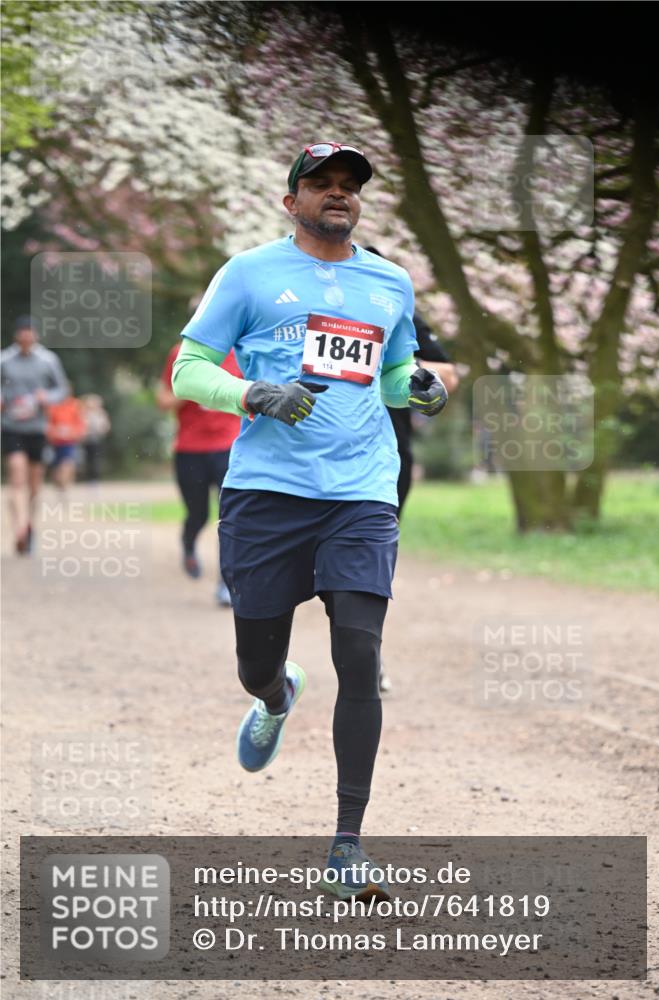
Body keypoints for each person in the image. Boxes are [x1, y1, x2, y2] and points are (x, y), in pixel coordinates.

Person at [172, 141, 448, 899]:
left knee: (359, 659)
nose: (337, 194)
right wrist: (251, 394)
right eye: (320, 184)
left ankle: (346, 846)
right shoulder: (249, 273)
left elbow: (389, 372)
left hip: (361, 492)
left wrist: (416, 385)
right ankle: (273, 696)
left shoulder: (388, 281)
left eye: (348, 186)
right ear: (289, 199)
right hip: (267, 495)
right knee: (255, 662)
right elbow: (189, 367)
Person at [366, 247, 460, 694]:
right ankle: (269, 673)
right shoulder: (287, 300)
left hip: (382, 462)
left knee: (365, 571)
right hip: (295, 461)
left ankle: (369, 658)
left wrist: (395, 368)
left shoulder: (393, 306)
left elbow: (449, 373)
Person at [158, 344, 242, 606]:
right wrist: (191, 387)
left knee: (230, 516)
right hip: (190, 448)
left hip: (229, 445)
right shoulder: (180, 352)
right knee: (198, 514)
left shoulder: (241, 351)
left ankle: (226, 584)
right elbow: (163, 401)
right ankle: (189, 541)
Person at [1, 316, 68, 553]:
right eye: (22, 332)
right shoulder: (4, 360)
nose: (26, 336)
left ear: (36, 335)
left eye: (30, 332)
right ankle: (19, 528)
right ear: (16, 335)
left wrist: (46, 398)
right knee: (16, 474)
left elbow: (63, 389)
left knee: (34, 485)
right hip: (11, 426)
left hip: (37, 428)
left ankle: (28, 525)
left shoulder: (48, 360)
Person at [46, 391, 86, 491]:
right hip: (54, 441)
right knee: (56, 465)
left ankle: (65, 484)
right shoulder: (52, 405)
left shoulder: (75, 405)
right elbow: (48, 421)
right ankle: (60, 484)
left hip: (69, 440)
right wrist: (53, 432)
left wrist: (76, 433)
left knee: (68, 462)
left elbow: (80, 421)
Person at [80, 394, 111, 484]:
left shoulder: (101, 413)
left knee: (95, 460)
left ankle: (94, 479)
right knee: (86, 460)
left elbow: (106, 427)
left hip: (97, 440)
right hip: (85, 440)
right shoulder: (83, 413)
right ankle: (87, 478)